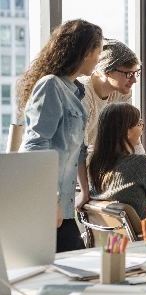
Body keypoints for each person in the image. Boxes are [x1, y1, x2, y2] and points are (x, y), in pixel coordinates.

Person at [17, 19, 103, 253]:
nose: (99, 59)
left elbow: (80, 150)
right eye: (99, 51)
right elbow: (35, 147)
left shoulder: (76, 92)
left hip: (64, 208)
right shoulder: (51, 86)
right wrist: (49, 201)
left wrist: (85, 192)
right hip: (46, 206)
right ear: (87, 53)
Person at [88, 103, 146, 219]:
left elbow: (128, 197)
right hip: (141, 236)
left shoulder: (96, 164)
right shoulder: (141, 163)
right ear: (127, 131)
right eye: (139, 124)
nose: (142, 128)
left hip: (112, 236)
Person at [78, 38, 142, 152]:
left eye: (135, 73)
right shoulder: (82, 92)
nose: (134, 80)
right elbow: (79, 149)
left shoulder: (122, 92)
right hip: (79, 164)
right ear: (107, 71)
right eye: (129, 74)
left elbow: (131, 134)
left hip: (101, 160)